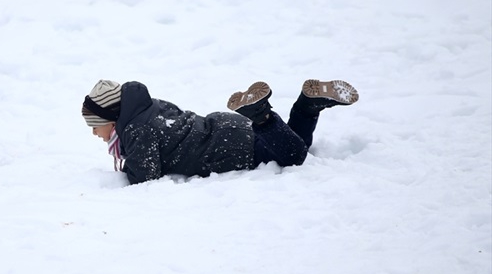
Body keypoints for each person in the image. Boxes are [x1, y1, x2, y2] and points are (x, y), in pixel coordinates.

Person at [81, 78, 358, 185]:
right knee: (292, 144)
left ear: (112, 118)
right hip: (224, 129)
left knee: (294, 156)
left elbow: (143, 177)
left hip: (226, 149)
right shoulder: (151, 107)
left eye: (96, 126)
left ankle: (262, 116)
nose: (95, 134)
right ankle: (308, 106)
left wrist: (128, 163)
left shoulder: (138, 131)